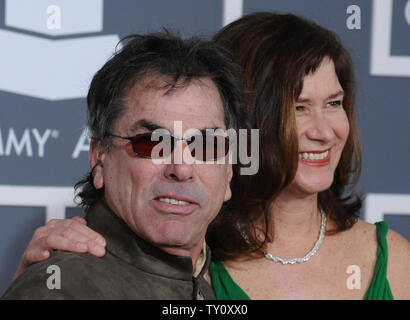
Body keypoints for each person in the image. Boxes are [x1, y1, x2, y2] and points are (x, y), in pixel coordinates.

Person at [12, 13, 410, 300]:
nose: (324, 131)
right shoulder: (187, 247)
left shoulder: (391, 255)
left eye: (335, 103)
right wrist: (48, 278)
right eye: (298, 108)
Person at [2, 30, 245, 299]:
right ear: (99, 157)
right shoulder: (58, 289)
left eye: (206, 146)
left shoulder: (226, 286)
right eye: (153, 143)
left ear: (228, 171)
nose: (182, 168)